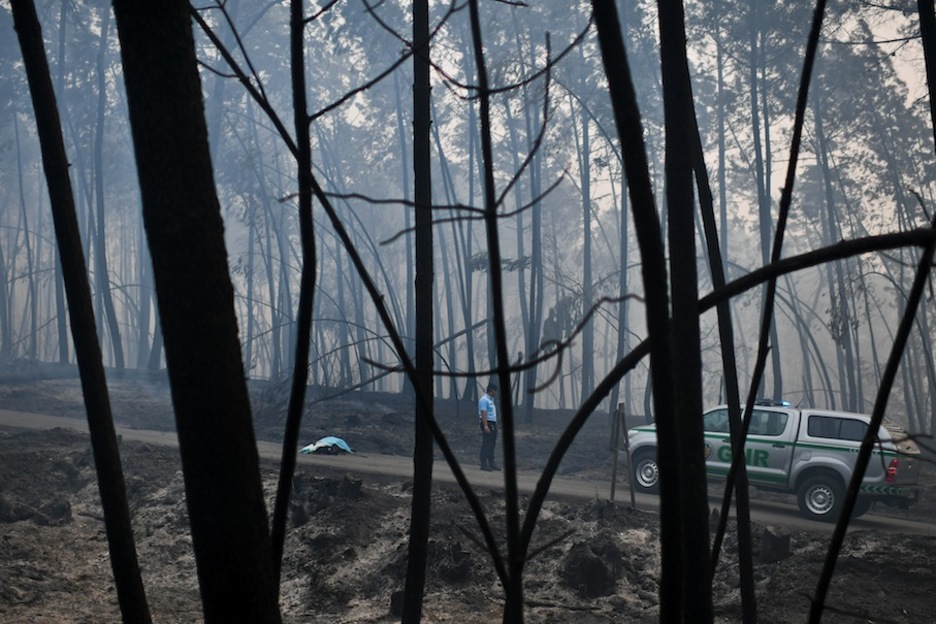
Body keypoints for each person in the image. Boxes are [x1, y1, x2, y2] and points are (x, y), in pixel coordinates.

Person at [478, 382, 499, 471]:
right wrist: (485, 426)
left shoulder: (491, 400)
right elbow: (483, 413)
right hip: (487, 423)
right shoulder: (484, 400)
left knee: (492, 444)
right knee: (486, 443)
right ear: (491, 390)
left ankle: (491, 462)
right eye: (495, 391)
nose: (496, 393)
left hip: (492, 423)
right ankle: (483, 463)